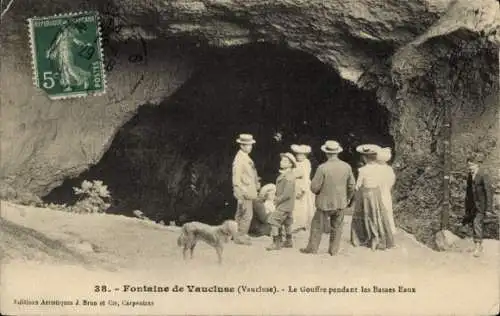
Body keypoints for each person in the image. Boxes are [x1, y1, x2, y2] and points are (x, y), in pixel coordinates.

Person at [300, 140, 356, 256]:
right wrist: (347, 198)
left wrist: (319, 191)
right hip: (340, 202)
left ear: (326, 153)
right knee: (337, 227)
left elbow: (314, 187)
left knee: (317, 226)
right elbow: (352, 185)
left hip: (324, 203)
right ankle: (333, 250)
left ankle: (312, 248)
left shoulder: (322, 168)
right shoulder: (346, 167)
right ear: (338, 152)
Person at [350, 144, 394, 250]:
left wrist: (354, 191)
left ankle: (365, 237)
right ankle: (378, 237)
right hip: (376, 193)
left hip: (365, 194)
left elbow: (358, 184)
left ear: (364, 158)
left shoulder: (363, 170)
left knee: (364, 214)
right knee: (376, 214)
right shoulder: (380, 169)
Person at [232, 134, 260, 245]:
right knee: (246, 214)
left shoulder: (245, 157)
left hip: (247, 190)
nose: (250, 147)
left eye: (250, 145)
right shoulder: (240, 159)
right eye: (248, 145)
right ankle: (240, 235)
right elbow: (236, 176)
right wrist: (239, 190)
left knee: (240, 213)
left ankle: (236, 234)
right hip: (244, 191)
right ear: (242, 145)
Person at [462, 155, 493, 257]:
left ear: (477, 165)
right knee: (473, 223)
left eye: (471, 166)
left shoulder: (483, 174)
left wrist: (488, 209)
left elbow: (488, 192)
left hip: (482, 205)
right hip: (473, 206)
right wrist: (467, 206)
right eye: (468, 166)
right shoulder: (470, 176)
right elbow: (469, 192)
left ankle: (478, 247)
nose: (470, 168)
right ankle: (477, 245)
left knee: (477, 223)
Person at [266, 153, 297, 251]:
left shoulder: (289, 177)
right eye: (281, 160)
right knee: (287, 222)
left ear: (290, 164)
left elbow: (287, 193)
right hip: (288, 205)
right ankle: (289, 241)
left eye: (285, 161)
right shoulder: (287, 175)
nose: (281, 162)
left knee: (273, 220)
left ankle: (276, 243)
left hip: (284, 204)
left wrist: (277, 200)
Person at [291, 144, 315, 232]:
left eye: (301, 155)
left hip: (303, 185)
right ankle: (295, 224)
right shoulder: (295, 163)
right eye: (297, 154)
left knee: (303, 205)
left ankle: (302, 224)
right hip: (295, 185)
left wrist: (303, 190)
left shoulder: (306, 163)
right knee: (295, 206)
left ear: (305, 155)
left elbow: (305, 177)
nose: (298, 156)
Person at [377, 147, 397, 235]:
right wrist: (388, 187)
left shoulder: (375, 169)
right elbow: (392, 180)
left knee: (378, 210)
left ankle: (379, 230)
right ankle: (389, 230)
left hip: (378, 192)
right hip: (386, 192)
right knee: (387, 210)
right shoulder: (389, 169)